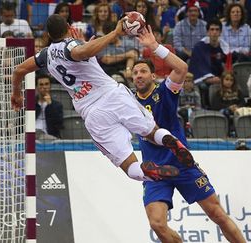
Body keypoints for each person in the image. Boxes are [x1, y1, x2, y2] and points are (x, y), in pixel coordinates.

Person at [12, 14, 194, 182]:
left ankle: (147, 172)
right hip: (113, 95)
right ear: (68, 27)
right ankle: (170, 141)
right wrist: (114, 32)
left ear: (48, 35)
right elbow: (79, 53)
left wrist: (17, 93)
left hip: (92, 113)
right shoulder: (72, 47)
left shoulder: (45, 55)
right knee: (152, 132)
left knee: (129, 166)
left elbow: (19, 70)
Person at [132, 28, 246, 243]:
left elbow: (182, 67)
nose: (138, 75)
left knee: (217, 214)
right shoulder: (128, 101)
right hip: (155, 171)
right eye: (135, 72)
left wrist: (154, 47)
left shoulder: (164, 91)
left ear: (153, 75)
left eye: (143, 71)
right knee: (157, 224)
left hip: (183, 165)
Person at [36, 73, 64, 140]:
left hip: (48, 135)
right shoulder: (31, 104)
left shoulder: (57, 105)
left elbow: (59, 123)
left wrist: (50, 105)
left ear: (50, 86)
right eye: (41, 84)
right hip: (32, 133)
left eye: (46, 84)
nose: (44, 87)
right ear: (36, 87)